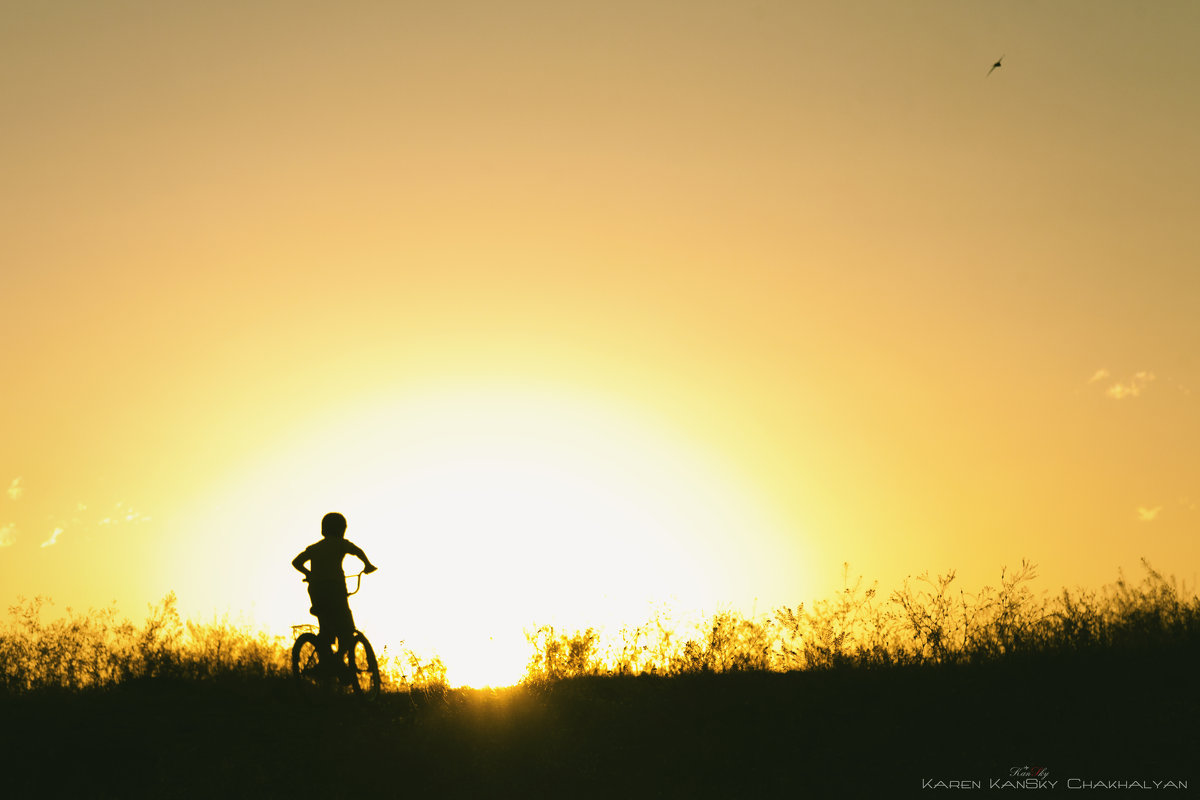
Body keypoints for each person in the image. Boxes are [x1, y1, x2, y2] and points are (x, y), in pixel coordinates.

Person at [292, 512, 378, 677]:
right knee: (347, 629)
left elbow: (296, 562)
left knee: (326, 628)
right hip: (335, 590)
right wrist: (367, 565)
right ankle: (338, 660)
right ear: (342, 529)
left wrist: (309, 574)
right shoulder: (340, 544)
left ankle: (326, 663)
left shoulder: (315, 547)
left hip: (316, 591)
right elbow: (357, 551)